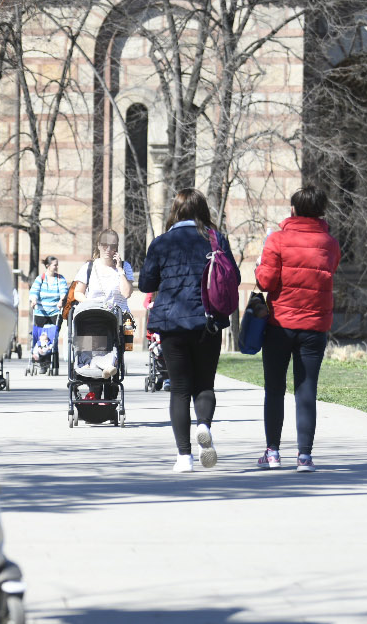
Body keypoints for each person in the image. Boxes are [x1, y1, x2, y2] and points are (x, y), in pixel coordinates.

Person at [137, 188, 237, 472]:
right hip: (208, 322)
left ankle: (184, 457)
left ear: (176, 211)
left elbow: (146, 283)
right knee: (204, 384)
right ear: (202, 211)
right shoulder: (217, 240)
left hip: (172, 324)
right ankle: (203, 424)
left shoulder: (161, 243)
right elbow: (234, 277)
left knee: (179, 389)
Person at [252, 185, 341, 472]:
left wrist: (259, 265)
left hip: (280, 324)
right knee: (306, 391)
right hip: (315, 326)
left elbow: (265, 282)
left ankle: (273, 452)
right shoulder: (330, 243)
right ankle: (304, 456)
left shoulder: (277, 240)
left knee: (274, 389)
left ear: (293, 209)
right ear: (321, 211)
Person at [68, 230, 134, 317]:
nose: (108, 249)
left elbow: (126, 293)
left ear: (116, 247)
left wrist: (120, 269)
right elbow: (78, 292)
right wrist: (90, 304)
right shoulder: (88, 267)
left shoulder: (125, 266)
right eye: (104, 245)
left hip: (119, 319)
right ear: (99, 245)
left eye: (112, 245)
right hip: (95, 318)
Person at [28, 255, 67, 354]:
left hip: (55, 312)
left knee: (53, 336)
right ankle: (39, 358)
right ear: (48, 266)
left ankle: (53, 361)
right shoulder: (40, 278)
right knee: (40, 336)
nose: (57, 267)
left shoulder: (60, 279)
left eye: (57, 265)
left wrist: (61, 300)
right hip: (41, 312)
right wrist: (34, 300)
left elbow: (64, 291)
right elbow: (34, 291)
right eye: (55, 265)